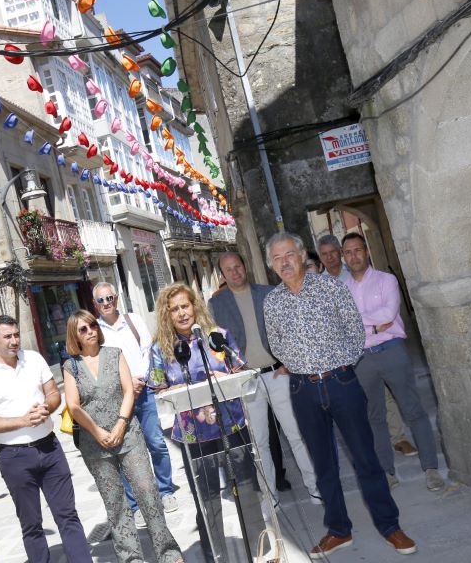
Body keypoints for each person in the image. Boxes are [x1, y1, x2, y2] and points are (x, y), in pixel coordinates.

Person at [263, 231, 417, 558]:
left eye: (288, 254)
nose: (284, 262)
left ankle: (390, 526)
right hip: (303, 389)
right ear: (271, 265)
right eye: (276, 258)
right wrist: (302, 365)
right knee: (323, 465)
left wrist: (340, 364)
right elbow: (276, 344)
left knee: (365, 457)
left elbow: (355, 331)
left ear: (301, 256)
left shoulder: (331, 287)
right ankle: (338, 530)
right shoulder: (272, 302)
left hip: (341, 382)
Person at [146, 283, 262, 562]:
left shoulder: (218, 336)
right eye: (174, 309)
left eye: (185, 306)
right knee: (206, 500)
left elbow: (241, 370)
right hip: (193, 435)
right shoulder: (161, 349)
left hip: (232, 426)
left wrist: (226, 377)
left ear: (195, 306)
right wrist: (175, 390)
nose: (182, 313)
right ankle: (215, 555)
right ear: (166, 314)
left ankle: (258, 548)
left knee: (247, 489)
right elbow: (158, 390)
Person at [0, 315, 91, 563]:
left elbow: (53, 393)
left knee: (67, 514)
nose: (14, 341)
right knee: (31, 524)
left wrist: (46, 407)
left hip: (49, 448)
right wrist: (23, 421)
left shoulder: (33, 358)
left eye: (16, 335)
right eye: (7, 336)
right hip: (14, 456)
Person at [63, 310, 183, 563]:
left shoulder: (114, 354)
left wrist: (120, 424)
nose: (90, 331)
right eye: (83, 329)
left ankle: (168, 552)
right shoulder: (71, 366)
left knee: (147, 491)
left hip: (128, 434)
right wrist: (97, 431)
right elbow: (73, 406)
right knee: (115, 502)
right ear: (75, 335)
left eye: (92, 326)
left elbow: (129, 391)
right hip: (95, 443)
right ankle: (131, 558)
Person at [209, 252, 319, 504]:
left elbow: (290, 331)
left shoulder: (269, 293)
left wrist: (288, 363)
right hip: (246, 380)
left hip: (277, 374)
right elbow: (215, 345)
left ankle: (315, 489)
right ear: (222, 275)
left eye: (238, 266)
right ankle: (270, 499)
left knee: (296, 434)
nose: (235, 272)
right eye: (229, 269)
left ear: (245, 266)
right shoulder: (216, 305)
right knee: (259, 443)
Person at [341, 232, 445, 492]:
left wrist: (359, 323)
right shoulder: (342, 290)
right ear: (344, 257)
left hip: (392, 351)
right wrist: (373, 327)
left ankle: (431, 469)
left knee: (413, 410)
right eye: (349, 252)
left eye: (357, 250)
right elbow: (343, 325)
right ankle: (387, 473)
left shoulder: (386, 280)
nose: (354, 256)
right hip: (362, 359)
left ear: (366, 251)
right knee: (374, 417)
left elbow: (388, 313)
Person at [317, 234, 419, 463]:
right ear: (320, 258)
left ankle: (398, 438)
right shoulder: (320, 286)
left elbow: (385, 317)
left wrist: (362, 325)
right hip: (344, 353)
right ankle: (371, 447)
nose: (330, 257)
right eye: (324, 254)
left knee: (385, 395)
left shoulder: (357, 273)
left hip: (372, 350)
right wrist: (369, 326)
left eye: (333, 252)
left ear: (340, 253)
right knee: (357, 402)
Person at [93, 282, 178, 530]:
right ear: (95, 304)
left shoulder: (133, 320)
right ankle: (135, 504)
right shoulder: (95, 329)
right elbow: (98, 363)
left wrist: (138, 379)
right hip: (118, 398)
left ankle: (165, 491)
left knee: (156, 442)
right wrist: (125, 382)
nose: (106, 303)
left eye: (109, 297)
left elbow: (148, 352)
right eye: (101, 300)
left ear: (117, 298)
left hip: (144, 391)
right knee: (124, 450)